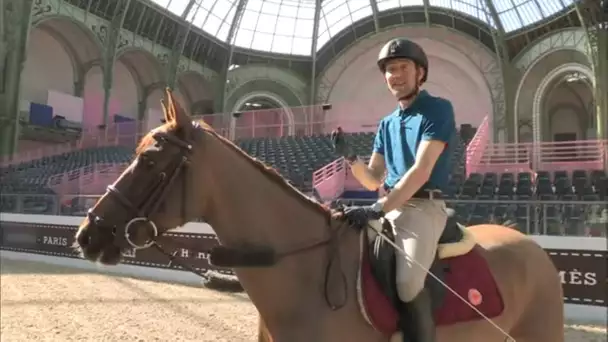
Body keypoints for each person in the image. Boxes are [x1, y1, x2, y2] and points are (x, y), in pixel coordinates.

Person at [331, 37, 456, 342]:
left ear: (420, 73)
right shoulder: (386, 124)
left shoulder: (438, 109)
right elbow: (373, 178)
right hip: (390, 207)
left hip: (423, 208)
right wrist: (350, 157)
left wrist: (379, 208)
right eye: (389, 69)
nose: (395, 75)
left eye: (402, 67)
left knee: (408, 283)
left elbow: (421, 170)